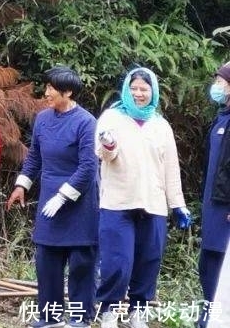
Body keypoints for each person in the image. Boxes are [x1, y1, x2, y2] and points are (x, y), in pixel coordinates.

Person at [93, 67, 190, 328]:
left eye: (144, 89)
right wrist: (109, 145)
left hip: (154, 204)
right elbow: (103, 154)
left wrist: (177, 204)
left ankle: (138, 312)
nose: (138, 93)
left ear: (153, 92)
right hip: (118, 202)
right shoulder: (112, 117)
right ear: (126, 89)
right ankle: (110, 311)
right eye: (134, 88)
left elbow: (171, 168)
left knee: (149, 261)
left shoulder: (161, 125)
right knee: (117, 261)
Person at [6, 66, 99, 327]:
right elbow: (34, 157)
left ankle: (81, 317)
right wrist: (21, 185)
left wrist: (63, 197)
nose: (46, 92)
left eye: (51, 88)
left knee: (81, 261)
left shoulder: (86, 122)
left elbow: (88, 167)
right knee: (47, 259)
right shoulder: (43, 119)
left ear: (67, 92)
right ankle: (49, 315)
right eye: (45, 87)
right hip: (48, 199)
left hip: (79, 201)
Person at [197, 62, 230, 327]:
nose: (217, 86)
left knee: (221, 260)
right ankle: (208, 313)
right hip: (212, 203)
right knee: (208, 259)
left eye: (221, 82)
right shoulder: (221, 117)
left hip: (226, 208)